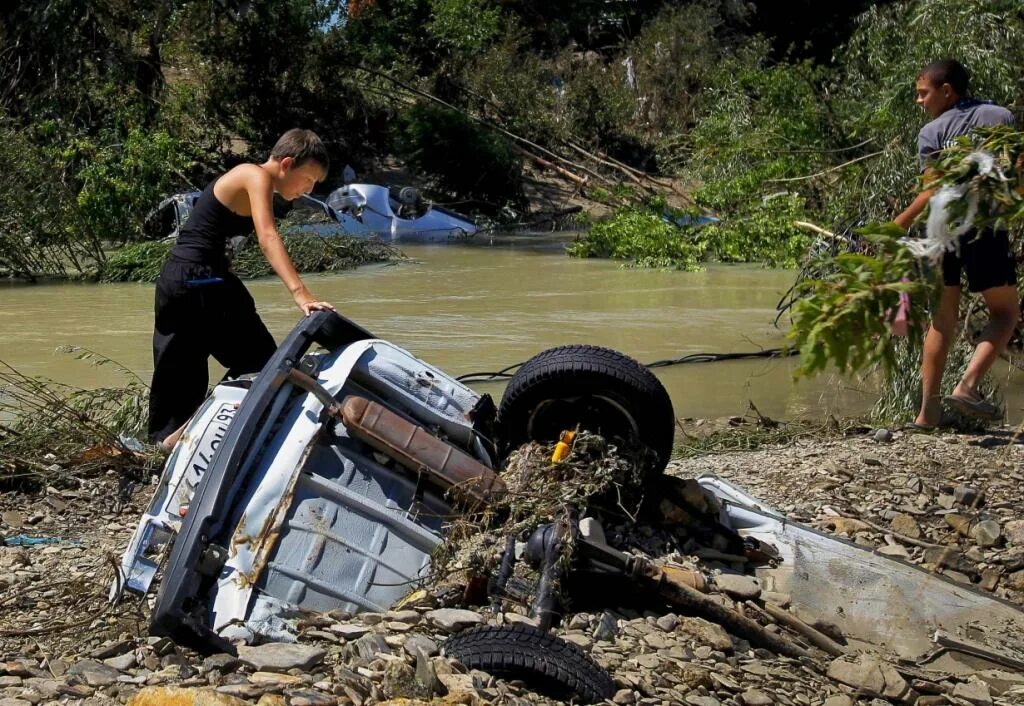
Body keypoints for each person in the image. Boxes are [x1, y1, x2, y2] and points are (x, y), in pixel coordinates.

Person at [147, 128, 336, 449]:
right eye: (308, 180)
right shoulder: (254, 175)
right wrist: (300, 292)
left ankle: (174, 439)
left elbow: (219, 237)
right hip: (194, 279)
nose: (309, 189)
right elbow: (268, 237)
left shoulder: (255, 183)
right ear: (287, 163)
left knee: (229, 366)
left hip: (198, 281)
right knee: (207, 369)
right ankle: (170, 439)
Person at [893, 60, 1018, 429]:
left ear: (947, 91)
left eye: (923, 92)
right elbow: (1012, 173)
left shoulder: (931, 132)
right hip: (982, 227)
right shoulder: (1000, 116)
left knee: (942, 321)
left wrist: (896, 225)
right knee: (1005, 314)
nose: (918, 100)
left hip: (939, 231)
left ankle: (927, 415)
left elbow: (932, 192)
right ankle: (967, 385)